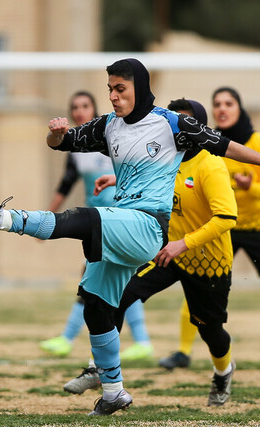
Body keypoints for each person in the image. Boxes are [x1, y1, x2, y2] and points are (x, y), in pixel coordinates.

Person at [0, 58, 260, 416]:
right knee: (96, 305)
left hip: (151, 230)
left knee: (88, 220)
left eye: (120, 88)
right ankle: (113, 392)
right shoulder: (109, 126)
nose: (113, 96)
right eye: (110, 89)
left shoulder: (173, 125)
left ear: (141, 87)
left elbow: (224, 146)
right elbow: (62, 143)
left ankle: (4, 218)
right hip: (142, 236)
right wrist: (56, 133)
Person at [160, 87, 260, 371]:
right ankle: (183, 352)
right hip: (220, 228)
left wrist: (250, 186)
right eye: (217, 104)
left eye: (228, 103)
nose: (222, 108)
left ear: (239, 107)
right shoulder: (208, 144)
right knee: (196, 284)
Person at [101, 98, 238, 406]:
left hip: (207, 262)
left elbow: (227, 217)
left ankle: (223, 372)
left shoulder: (211, 164)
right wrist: (116, 178)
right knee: (117, 295)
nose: (177, 129)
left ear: (199, 128)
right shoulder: (165, 157)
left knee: (211, 332)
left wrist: (184, 243)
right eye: (174, 122)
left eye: (185, 123)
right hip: (167, 254)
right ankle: (103, 370)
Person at [39, 91, 153, 364]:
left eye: (85, 105)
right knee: (118, 283)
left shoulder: (111, 136)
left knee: (96, 281)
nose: (80, 111)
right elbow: (65, 185)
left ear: (94, 108)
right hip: (95, 222)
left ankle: (68, 339)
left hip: (119, 220)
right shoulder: (75, 149)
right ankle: (142, 341)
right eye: (74, 106)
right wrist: (45, 220)